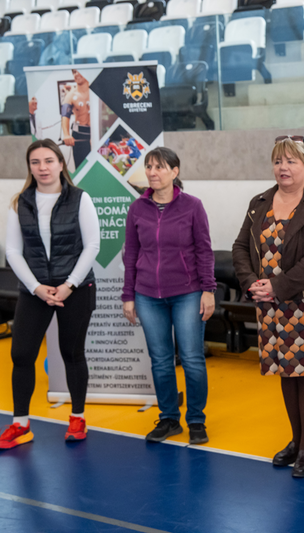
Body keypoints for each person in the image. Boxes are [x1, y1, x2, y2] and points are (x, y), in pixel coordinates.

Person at [232, 136, 304, 478]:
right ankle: (295, 441)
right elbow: (240, 247)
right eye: (278, 161)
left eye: (291, 161)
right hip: (268, 303)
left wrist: (277, 286)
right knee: (286, 370)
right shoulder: (259, 203)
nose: (283, 167)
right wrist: (252, 282)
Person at [0, 139, 100, 449]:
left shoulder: (80, 198)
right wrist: (37, 288)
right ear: (29, 167)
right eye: (35, 162)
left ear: (61, 164)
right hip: (34, 290)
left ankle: (77, 418)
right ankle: (20, 424)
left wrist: (69, 285)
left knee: (72, 354)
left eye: (49, 161)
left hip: (75, 290)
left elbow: (92, 245)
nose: (43, 168)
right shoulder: (20, 202)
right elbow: (13, 252)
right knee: (21, 355)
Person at [122, 147, 217, 445]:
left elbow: (204, 250)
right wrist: (128, 295)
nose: (152, 172)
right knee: (161, 360)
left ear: (175, 172)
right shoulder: (137, 209)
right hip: (147, 295)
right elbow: (131, 254)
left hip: (188, 293)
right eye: (149, 167)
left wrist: (208, 290)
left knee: (191, 359)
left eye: (159, 167)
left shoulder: (192, 206)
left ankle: (196, 420)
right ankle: (168, 418)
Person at [62, 69, 91, 170]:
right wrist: (66, 134)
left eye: (79, 71)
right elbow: (65, 116)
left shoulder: (96, 91)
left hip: (97, 133)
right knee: (82, 169)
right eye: (74, 72)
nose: (77, 74)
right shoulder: (70, 95)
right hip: (79, 135)